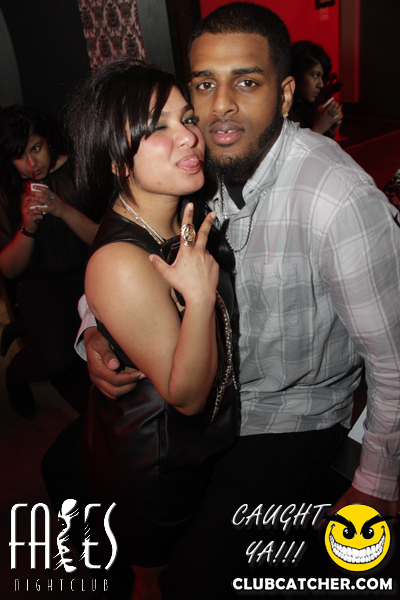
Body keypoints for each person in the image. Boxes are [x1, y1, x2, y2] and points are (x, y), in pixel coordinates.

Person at [76, 3, 399, 596]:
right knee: (72, 483)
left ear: (285, 95)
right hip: (209, 405)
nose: (219, 105)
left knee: (197, 579)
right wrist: (96, 328)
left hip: (291, 415)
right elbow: (128, 252)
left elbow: (394, 359)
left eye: (246, 82)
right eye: (204, 85)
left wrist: (377, 484)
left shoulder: (338, 201)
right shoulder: (193, 168)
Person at [43, 59, 238, 600]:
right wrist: (199, 297)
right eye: (157, 128)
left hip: (196, 446)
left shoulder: (181, 210)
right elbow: (186, 396)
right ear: (115, 159)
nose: (189, 136)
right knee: (156, 582)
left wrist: (97, 328)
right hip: (158, 463)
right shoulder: (119, 260)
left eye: (187, 118)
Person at [0, 105, 97, 417]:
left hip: (89, 273)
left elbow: (101, 239)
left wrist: (62, 209)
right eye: (19, 156)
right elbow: (9, 269)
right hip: (40, 285)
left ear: (48, 140)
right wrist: (26, 227)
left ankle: (25, 326)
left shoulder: (78, 169)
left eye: (36, 148)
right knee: (54, 360)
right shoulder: (7, 190)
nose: (32, 163)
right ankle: (15, 374)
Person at [289, 40, 342, 138]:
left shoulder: (308, 109)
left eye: (322, 77)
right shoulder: (282, 112)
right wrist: (318, 129)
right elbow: (294, 148)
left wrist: (328, 131)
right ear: (297, 74)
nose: (321, 84)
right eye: (315, 75)